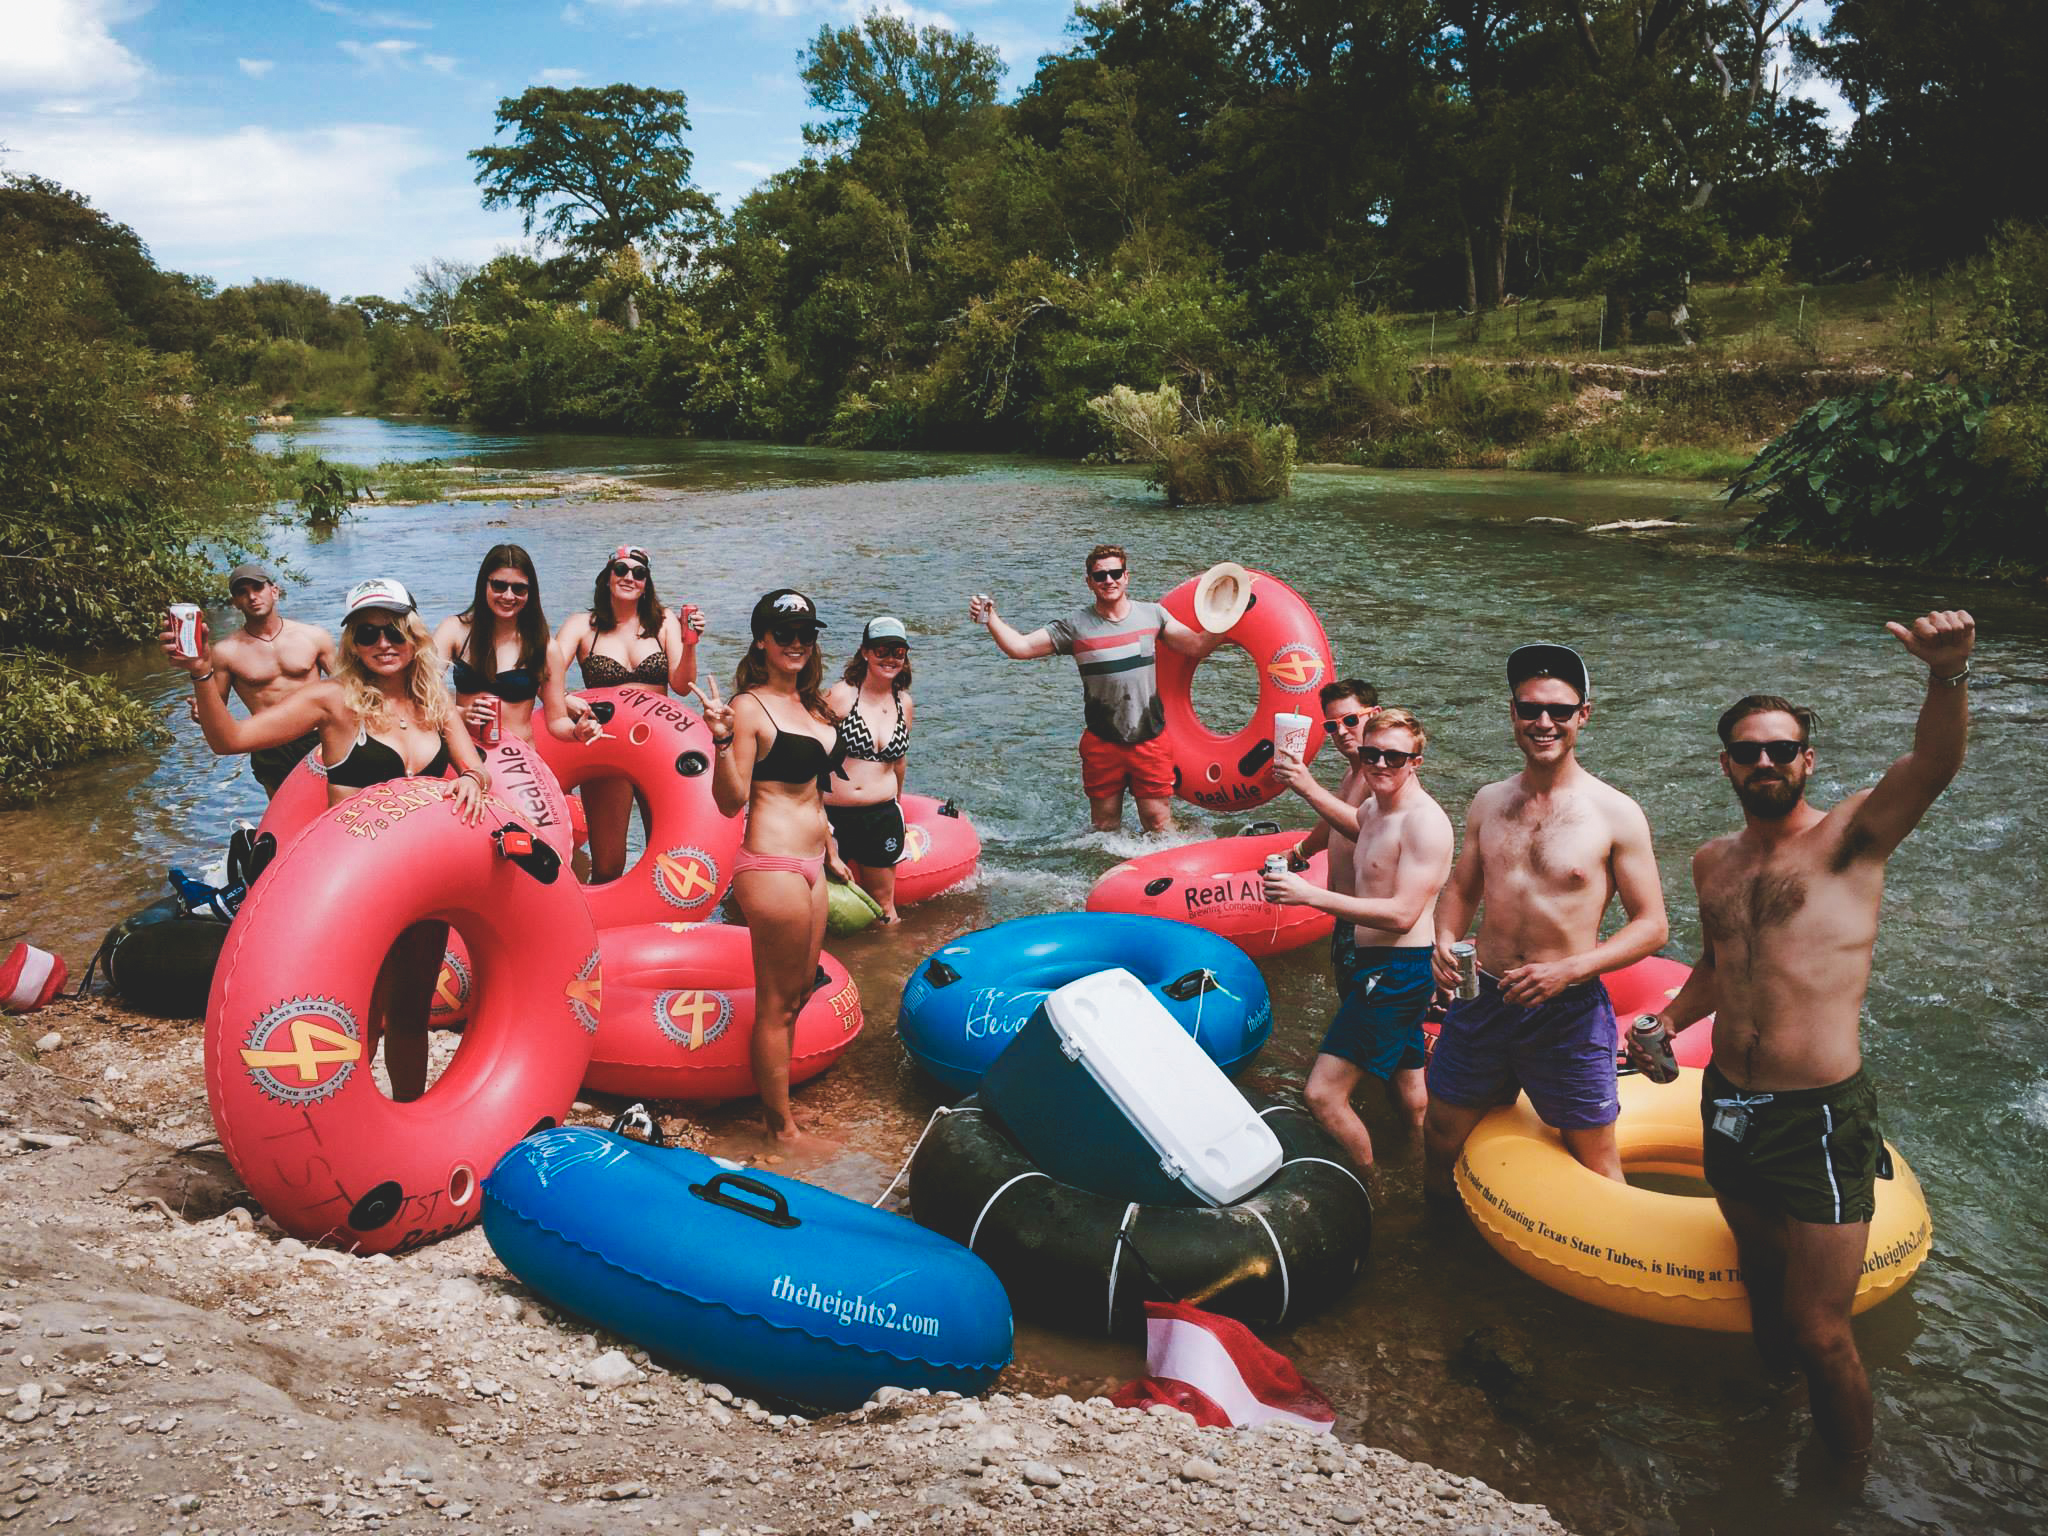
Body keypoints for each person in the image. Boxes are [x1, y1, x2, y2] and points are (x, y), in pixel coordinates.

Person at [1634, 611, 1975, 1471]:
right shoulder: (1713, 861)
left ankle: (1842, 1489)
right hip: (1729, 1103)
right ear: (1726, 765)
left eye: (1781, 750)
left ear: (1807, 761)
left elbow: (1932, 767)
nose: (1766, 763)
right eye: (1748, 752)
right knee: (1758, 1272)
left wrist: (1947, 676)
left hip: (1819, 1116)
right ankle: (1770, 1408)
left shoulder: (1850, 839)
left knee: (1823, 1328)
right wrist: (1667, 1022)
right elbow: (1719, 963)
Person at [163, 577, 488, 1101]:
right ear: (352, 643)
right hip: (358, 889)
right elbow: (231, 739)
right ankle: (345, 1120)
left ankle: (405, 1116)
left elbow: (475, 767)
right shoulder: (332, 700)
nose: (383, 643)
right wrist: (202, 672)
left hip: (422, 887)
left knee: (410, 1014)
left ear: (413, 635)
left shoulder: (434, 703)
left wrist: (471, 780)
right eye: (367, 633)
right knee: (362, 1012)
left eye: (394, 631)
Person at [1423, 643, 1669, 1199]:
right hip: (1482, 997)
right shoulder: (1489, 801)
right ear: (1513, 713)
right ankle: (1438, 1234)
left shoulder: (1616, 813)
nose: (1543, 722)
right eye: (1530, 708)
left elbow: (1652, 924)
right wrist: (1442, 939)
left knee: (1595, 1161)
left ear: (1584, 715)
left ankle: (1609, 1249)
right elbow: (1461, 888)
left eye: (1559, 710)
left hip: (1567, 1010)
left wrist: (1571, 970)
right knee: (1440, 1135)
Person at [1266, 707, 1453, 1177]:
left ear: (1416, 761)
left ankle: (1370, 1187)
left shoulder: (1424, 823)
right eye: (1372, 754)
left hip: (1396, 971)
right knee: (1409, 1082)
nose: (1381, 764)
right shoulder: (1376, 808)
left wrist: (1309, 895)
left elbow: (1403, 915)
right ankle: (1421, 1164)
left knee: (1322, 1096)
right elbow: (1356, 824)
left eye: (1395, 756)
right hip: (1383, 966)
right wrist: (1304, 785)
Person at [692, 590, 849, 1144]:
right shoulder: (748, 707)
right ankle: (780, 1129)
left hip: (811, 863)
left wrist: (831, 849)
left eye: (806, 633)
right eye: (785, 634)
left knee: (801, 990)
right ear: (762, 640)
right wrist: (720, 739)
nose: (797, 643)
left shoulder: (814, 705)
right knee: (778, 1002)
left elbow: (813, 791)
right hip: (771, 865)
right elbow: (730, 800)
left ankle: (778, 1105)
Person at [969, 544, 1225, 832]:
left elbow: (1197, 645)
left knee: (1158, 822)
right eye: (1100, 576)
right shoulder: (1075, 626)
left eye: (1115, 573)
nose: (1109, 580)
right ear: (1089, 581)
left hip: (1149, 739)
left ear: (1126, 576)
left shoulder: (1153, 615)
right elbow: (1021, 647)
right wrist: (991, 618)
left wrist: (1231, 612)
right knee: (1104, 827)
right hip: (1103, 742)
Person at [555, 546, 705, 882]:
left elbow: (682, 686)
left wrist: (690, 644)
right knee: (609, 865)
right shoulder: (582, 626)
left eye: (639, 573)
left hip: (660, 746)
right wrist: (566, 700)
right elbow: (546, 676)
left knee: (673, 857)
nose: (629, 577)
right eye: (621, 570)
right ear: (607, 577)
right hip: (608, 745)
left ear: (646, 583)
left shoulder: (664, 622)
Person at [431, 545, 597, 749]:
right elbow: (422, 689)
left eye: (519, 589)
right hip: (465, 751)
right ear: (484, 585)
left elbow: (557, 721)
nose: (509, 596)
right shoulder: (454, 630)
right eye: (499, 586)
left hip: (518, 755)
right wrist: (461, 713)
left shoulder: (544, 648)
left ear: (530, 592)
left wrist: (576, 731)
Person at [198, 562, 337, 797]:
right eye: (242, 592)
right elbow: (216, 709)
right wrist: (201, 711)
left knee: (336, 804)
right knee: (284, 811)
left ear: (274, 591)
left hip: (319, 736)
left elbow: (350, 687)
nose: (252, 597)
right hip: (269, 743)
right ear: (235, 602)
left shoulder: (314, 636)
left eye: (257, 588)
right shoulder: (225, 652)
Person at [823, 616, 916, 923]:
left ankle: (892, 955)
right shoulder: (841, 695)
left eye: (898, 652)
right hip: (835, 815)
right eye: (881, 650)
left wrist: (899, 806)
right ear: (865, 652)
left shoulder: (903, 703)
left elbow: (898, 762)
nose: (890, 658)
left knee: (885, 908)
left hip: (881, 815)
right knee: (823, 905)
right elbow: (810, 754)